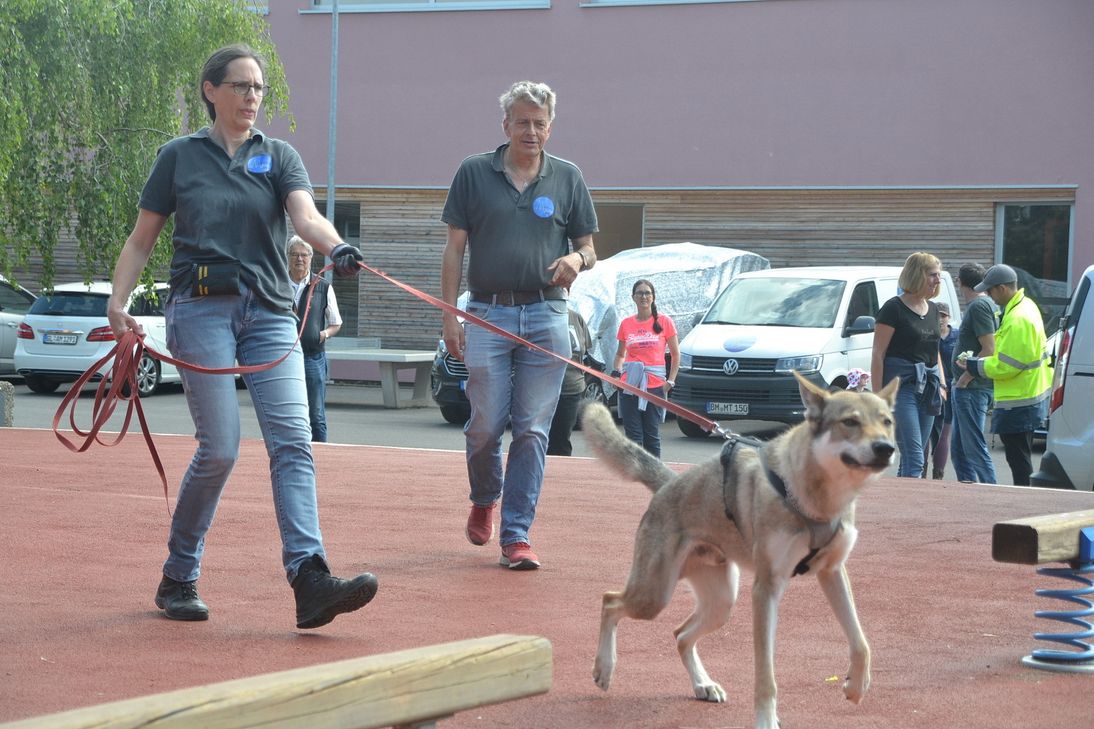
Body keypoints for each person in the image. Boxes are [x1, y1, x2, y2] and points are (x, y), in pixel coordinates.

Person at [107, 45, 377, 629]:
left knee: (294, 443)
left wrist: (337, 246)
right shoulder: (178, 157)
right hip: (200, 311)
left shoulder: (279, 156)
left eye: (258, 89)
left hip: (272, 314)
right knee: (221, 447)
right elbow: (140, 240)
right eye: (241, 86)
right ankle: (179, 575)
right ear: (211, 91)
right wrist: (117, 301)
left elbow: (304, 217)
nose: (253, 97)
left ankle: (310, 579)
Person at [440, 80, 598, 570]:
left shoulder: (568, 178)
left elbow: (591, 249)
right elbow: (454, 249)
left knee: (532, 430)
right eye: (522, 121)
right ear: (505, 125)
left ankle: (516, 534)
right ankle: (484, 494)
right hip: (486, 313)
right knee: (485, 425)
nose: (531, 130)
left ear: (551, 127)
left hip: (548, 313)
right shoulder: (473, 172)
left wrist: (575, 257)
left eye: (540, 122)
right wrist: (451, 316)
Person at [956, 264, 1051, 486]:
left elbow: (1007, 366)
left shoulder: (1018, 318)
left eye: (990, 290)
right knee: (1020, 458)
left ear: (1001, 288)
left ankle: (1022, 504)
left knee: (1018, 461)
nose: (988, 295)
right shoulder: (1025, 307)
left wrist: (973, 366)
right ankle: (1023, 499)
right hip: (1028, 395)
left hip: (1018, 400)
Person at [871, 252, 948, 478]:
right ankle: (914, 503)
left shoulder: (933, 309)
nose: (937, 280)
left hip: (930, 388)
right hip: (901, 388)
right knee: (915, 455)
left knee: (915, 454)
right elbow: (878, 354)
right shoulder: (893, 308)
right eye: (933, 275)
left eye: (939, 275)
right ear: (918, 275)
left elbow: (935, 352)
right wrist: (879, 397)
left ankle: (902, 502)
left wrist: (942, 384)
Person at [611, 280, 680, 458]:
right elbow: (620, 354)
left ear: (653, 297)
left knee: (651, 435)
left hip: (655, 385)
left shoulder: (665, 321)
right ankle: (635, 476)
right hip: (630, 385)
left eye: (647, 293)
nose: (643, 296)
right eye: (639, 293)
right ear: (633, 297)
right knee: (633, 437)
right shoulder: (626, 323)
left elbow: (675, 354)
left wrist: (670, 382)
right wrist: (616, 373)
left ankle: (653, 475)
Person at [287, 236, 342, 443]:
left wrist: (324, 334)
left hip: (313, 358)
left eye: (304, 255)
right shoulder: (278, 284)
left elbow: (336, 322)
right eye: (294, 254)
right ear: (288, 257)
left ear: (311, 258)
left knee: (316, 413)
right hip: (285, 359)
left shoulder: (322, 286)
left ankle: (321, 452)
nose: (299, 259)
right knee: (289, 412)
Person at [949, 263, 999, 484]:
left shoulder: (979, 306)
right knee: (960, 452)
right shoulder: (983, 304)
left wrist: (966, 377)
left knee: (975, 450)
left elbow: (989, 348)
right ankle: (969, 497)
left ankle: (992, 494)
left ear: (960, 282)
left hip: (972, 388)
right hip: (968, 388)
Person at [547, 307, 595, 457]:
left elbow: (584, 349)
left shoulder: (576, 318)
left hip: (571, 387)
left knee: (561, 440)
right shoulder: (539, 314)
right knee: (537, 438)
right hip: (543, 387)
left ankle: (560, 477)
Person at [922, 300, 959, 479]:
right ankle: (921, 470)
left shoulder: (956, 337)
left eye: (943, 316)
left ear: (949, 317)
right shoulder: (927, 334)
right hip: (929, 388)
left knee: (944, 433)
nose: (940, 319)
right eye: (937, 315)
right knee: (925, 432)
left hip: (949, 391)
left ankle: (938, 474)